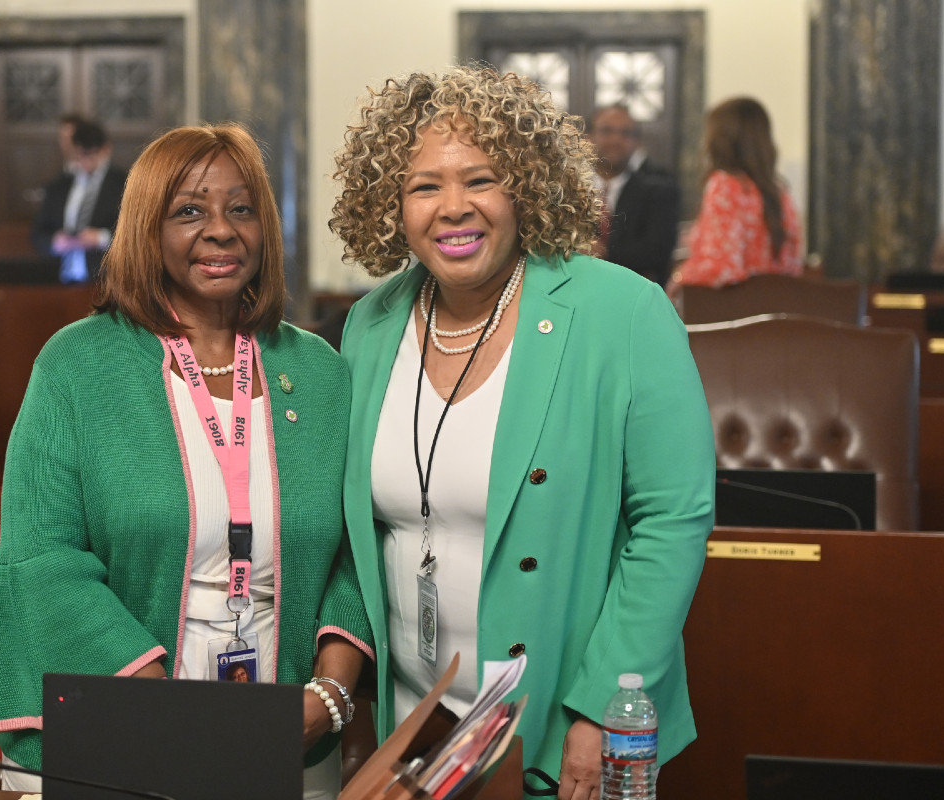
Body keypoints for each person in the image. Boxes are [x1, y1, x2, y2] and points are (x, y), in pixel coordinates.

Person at [330, 66, 715, 798]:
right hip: (412, 733)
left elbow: (673, 519)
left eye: (480, 179)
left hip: (557, 723)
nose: (453, 209)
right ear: (389, 204)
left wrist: (599, 710)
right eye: (423, 186)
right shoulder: (370, 324)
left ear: (528, 185)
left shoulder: (624, 313)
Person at [0, 123, 372, 798]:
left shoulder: (319, 373)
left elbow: (353, 554)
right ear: (146, 230)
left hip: (290, 727)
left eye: (241, 208)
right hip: (126, 716)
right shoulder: (78, 365)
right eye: (189, 211)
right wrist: (174, 714)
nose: (220, 230)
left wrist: (330, 693)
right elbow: (41, 560)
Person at [671, 97, 803, 288]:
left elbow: (721, 268)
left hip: (734, 312)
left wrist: (679, 278)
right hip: (777, 309)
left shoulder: (725, 185)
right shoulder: (781, 193)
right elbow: (793, 268)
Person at [587, 104, 680, 285]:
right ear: (588, 137)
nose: (616, 140)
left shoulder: (659, 192)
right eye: (607, 131)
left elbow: (657, 253)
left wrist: (602, 252)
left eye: (626, 133)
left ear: (638, 143)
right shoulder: (563, 190)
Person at [31, 119, 128, 283]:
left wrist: (101, 238)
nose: (86, 161)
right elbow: (38, 233)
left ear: (106, 149)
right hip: (60, 279)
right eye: (81, 154)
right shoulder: (59, 186)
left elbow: (136, 234)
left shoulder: (123, 185)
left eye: (92, 154)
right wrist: (55, 242)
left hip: (105, 281)